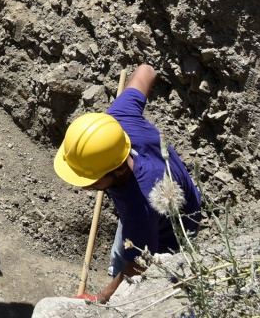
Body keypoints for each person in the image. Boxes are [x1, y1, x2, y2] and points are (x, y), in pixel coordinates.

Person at [53, 64, 203, 303]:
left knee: (132, 267)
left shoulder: (140, 208)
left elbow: (141, 264)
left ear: (119, 169)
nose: (83, 187)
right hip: (161, 203)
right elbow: (147, 70)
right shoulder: (116, 122)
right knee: (124, 250)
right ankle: (116, 268)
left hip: (174, 233)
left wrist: (100, 298)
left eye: (90, 179)